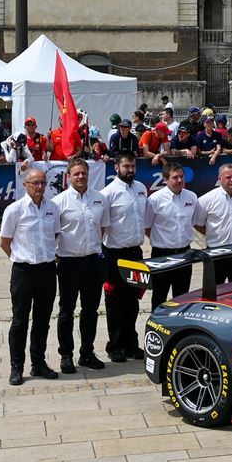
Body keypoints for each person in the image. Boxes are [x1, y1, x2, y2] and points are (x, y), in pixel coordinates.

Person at [0, 167, 61, 385]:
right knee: (20, 321)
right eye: (35, 182)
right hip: (23, 272)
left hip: (47, 271)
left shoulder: (52, 208)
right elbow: (5, 242)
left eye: (43, 182)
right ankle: (16, 367)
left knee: (42, 320)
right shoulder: (14, 210)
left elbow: (55, 235)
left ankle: (38, 363)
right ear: (25, 184)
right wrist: (20, 258)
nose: (39, 187)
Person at [51, 158, 108, 373]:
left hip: (93, 261)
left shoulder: (100, 199)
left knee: (90, 310)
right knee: (66, 310)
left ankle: (87, 353)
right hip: (69, 262)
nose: (81, 177)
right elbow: (54, 233)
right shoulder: (59, 202)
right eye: (76, 174)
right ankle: (66, 355)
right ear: (69, 176)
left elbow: (103, 228)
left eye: (84, 173)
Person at [101, 152, 149, 363]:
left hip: (135, 253)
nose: (130, 170)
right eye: (126, 166)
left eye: (132, 166)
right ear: (116, 168)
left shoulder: (141, 188)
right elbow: (102, 226)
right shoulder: (108, 193)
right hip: (115, 254)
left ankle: (131, 344)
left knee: (133, 301)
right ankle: (115, 346)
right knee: (115, 301)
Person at [144, 161, 205, 310]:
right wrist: (162, 241)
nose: (179, 180)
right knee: (159, 295)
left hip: (185, 253)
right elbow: (147, 226)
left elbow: (193, 222)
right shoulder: (154, 200)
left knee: (182, 296)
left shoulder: (191, 197)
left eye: (181, 177)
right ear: (165, 179)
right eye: (175, 177)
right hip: (162, 255)